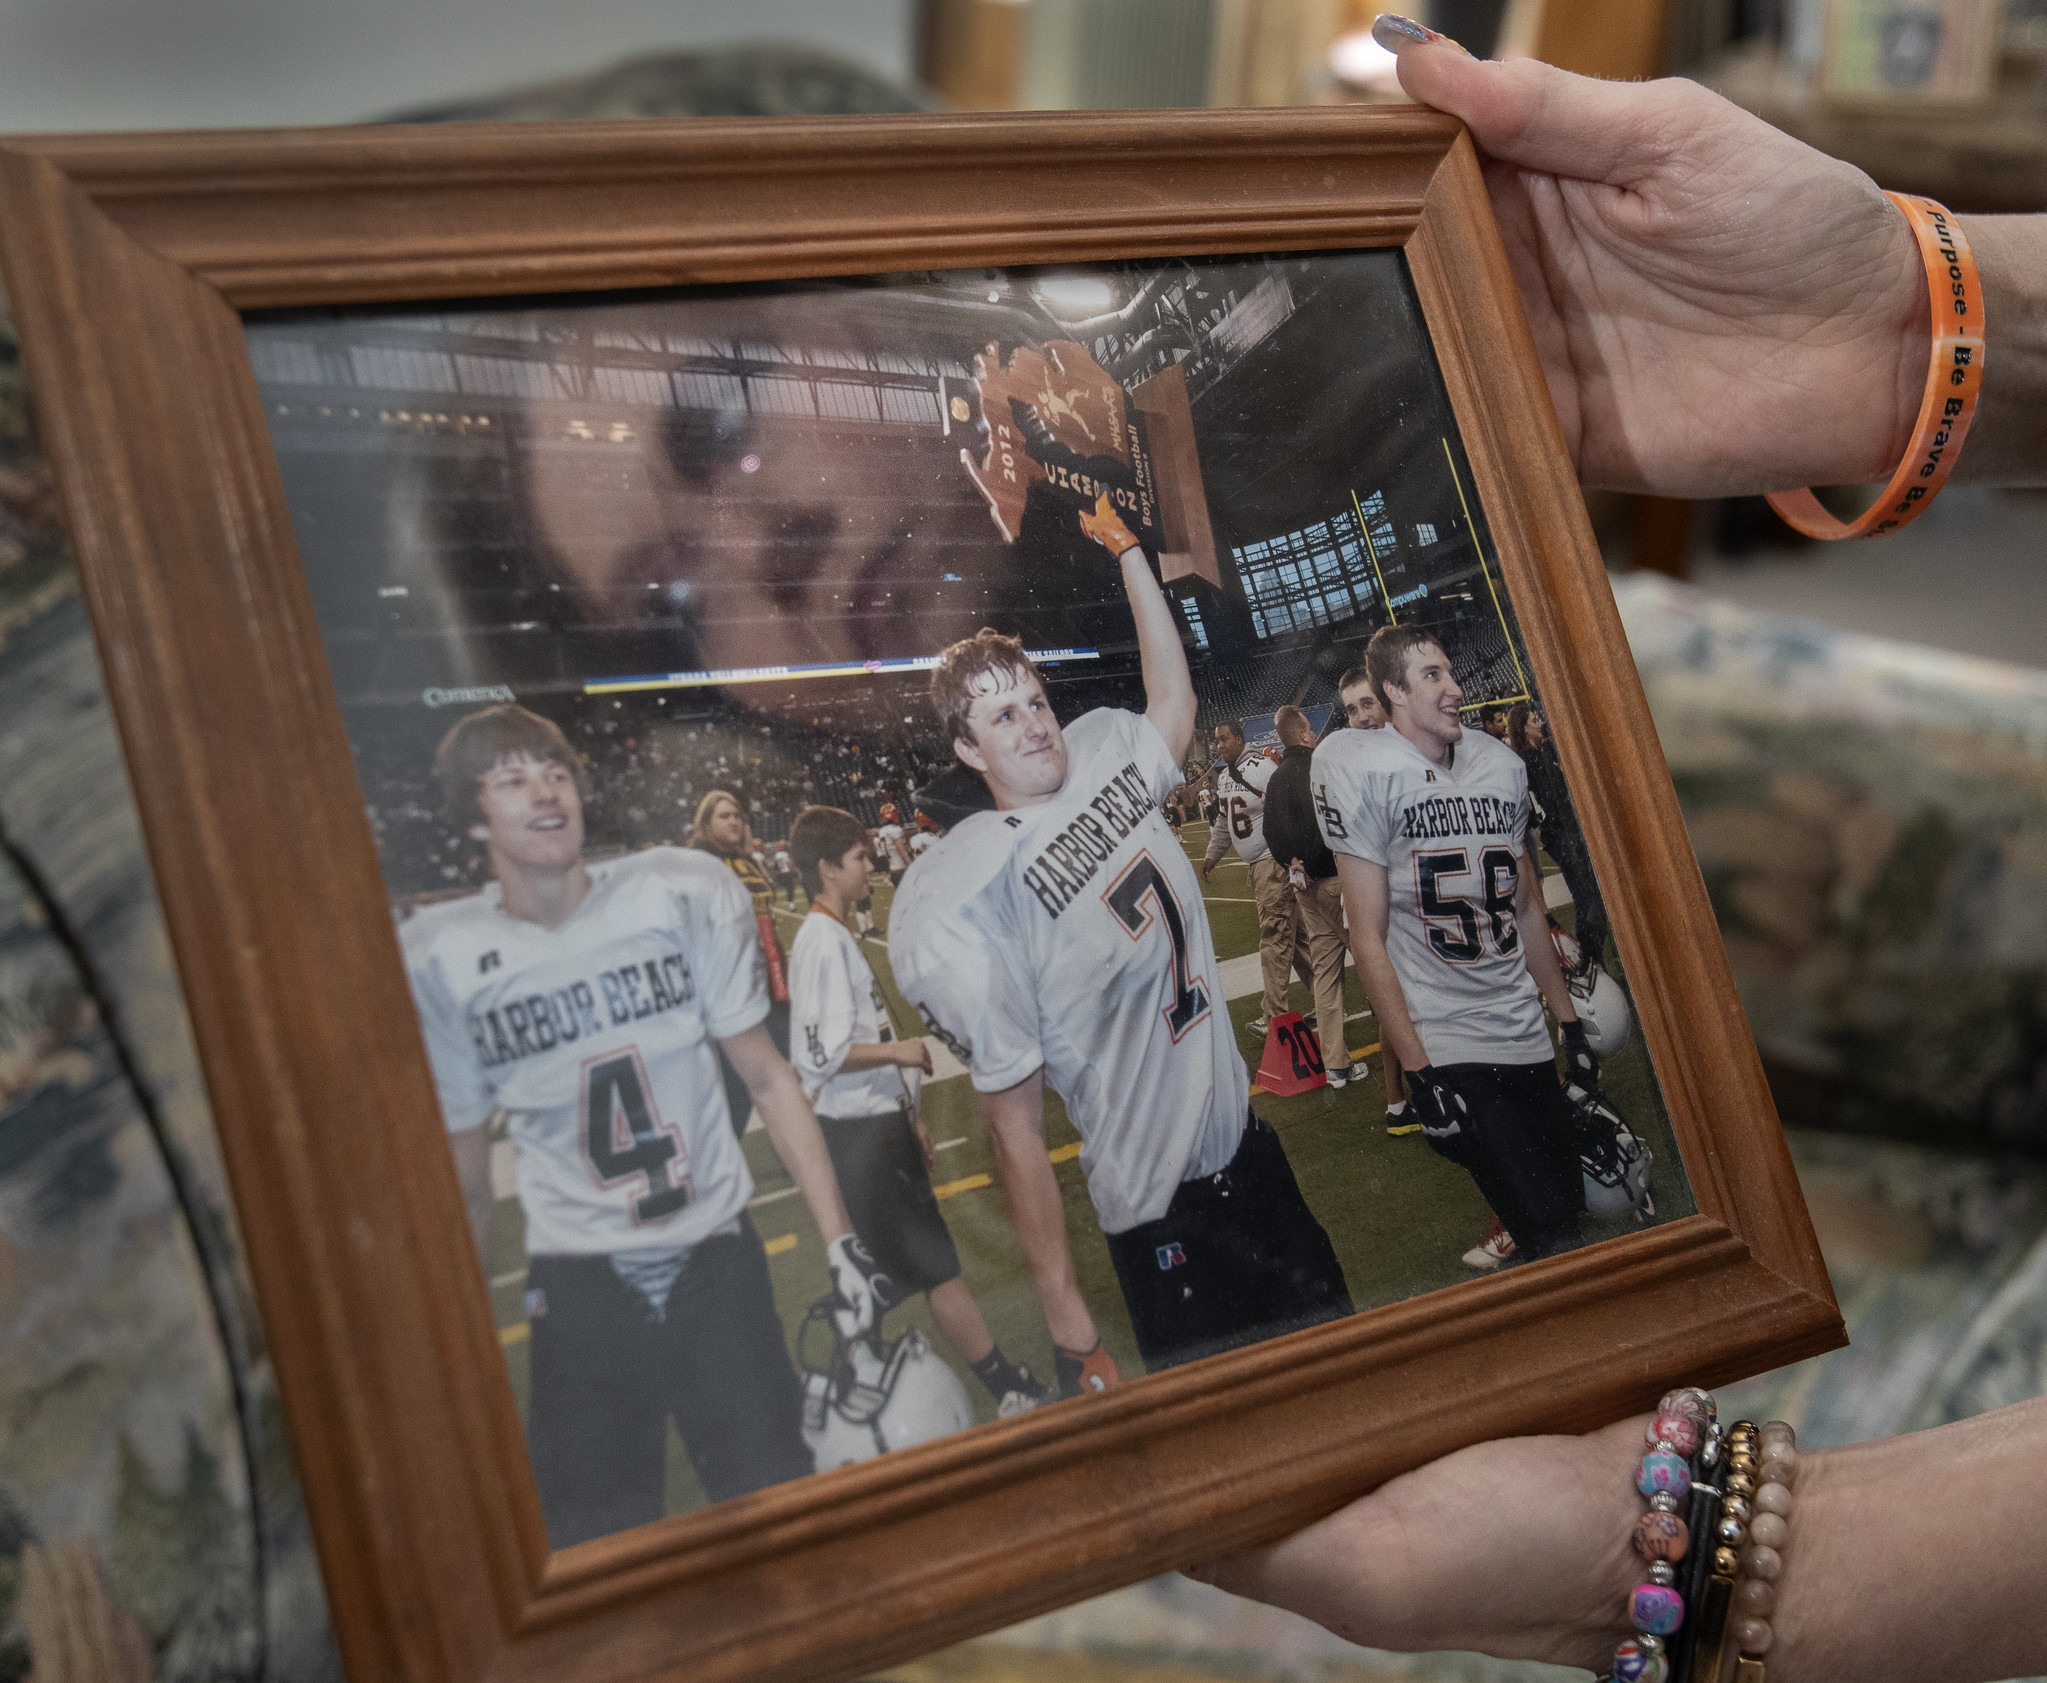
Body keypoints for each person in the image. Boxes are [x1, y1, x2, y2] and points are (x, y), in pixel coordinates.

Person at [1198, 22, 2047, 1676]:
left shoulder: (1470, 764)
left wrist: (1695, 1560)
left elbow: (1515, 882)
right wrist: (1882, 314)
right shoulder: (1363, 773)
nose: (1443, 683)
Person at [401, 705, 887, 1548]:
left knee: (788, 1525)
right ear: (473, 813)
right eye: (511, 779)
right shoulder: (445, 957)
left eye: (554, 771)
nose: (544, 792)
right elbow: (468, 1185)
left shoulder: (678, 892)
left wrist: (839, 1240)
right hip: (584, 1290)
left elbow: (767, 1078)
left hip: (718, 1264)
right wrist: (457, 1349)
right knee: (598, 1547)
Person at [892, 495, 1353, 1378]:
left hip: (1253, 1163)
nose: (1031, 721)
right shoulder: (977, 883)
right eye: (1002, 717)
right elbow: (1013, 1130)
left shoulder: (1105, 759)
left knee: (1346, 1380)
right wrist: (1071, 1329)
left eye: (1033, 699)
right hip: (1160, 1217)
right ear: (966, 749)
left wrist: (1131, 553)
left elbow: (1171, 695)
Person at [1313, 625, 1594, 1262]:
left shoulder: (1500, 767)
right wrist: (1420, 1073)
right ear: (1394, 693)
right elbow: (1368, 937)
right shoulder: (1363, 768)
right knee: (1550, 1233)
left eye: (1450, 671)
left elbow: (1525, 908)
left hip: (1523, 1030)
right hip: (1451, 1041)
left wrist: (1570, 1024)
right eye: (1432, 676)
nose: (1454, 688)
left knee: (1567, 1216)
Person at [785, 804, 1048, 1417]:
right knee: (933, 1269)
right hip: (861, 1138)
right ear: (826, 868)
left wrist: (910, 1118)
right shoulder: (822, 941)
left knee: (882, 1279)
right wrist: (899, 1051)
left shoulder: (832, 934)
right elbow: (818, 1054)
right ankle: (1004, 1385)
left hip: (877, 1131)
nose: (869, 865)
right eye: (856, 858)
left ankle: (852, 1399)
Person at [1256, 704, 1356, 1091]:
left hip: (1305, 890)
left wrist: (1293, 864)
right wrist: (1312, 862)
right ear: (1301, 733)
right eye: (1309, 729)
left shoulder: (1277, 778)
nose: (1314, 734)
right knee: (1371, 959)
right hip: (1332, 880)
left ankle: (1336, 1065)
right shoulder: (1318, 767)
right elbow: (1325, 824)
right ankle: (1408, 1042)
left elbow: (1271, 834)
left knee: (1326, 974)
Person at [1334, 667, 1412, 1134]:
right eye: (1351, 709)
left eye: (1367, 704)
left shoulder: (1404, 747)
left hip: (1410, 891)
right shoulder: (1346, 764)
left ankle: (1407, 1097)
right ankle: (1397, 1100)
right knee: (1390, 1001)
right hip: (1378, 897)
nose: (1361, 717)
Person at [691, 789, 794, 1140]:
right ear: (706, 824)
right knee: (734, 1092)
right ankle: (717, 1167)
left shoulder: (747, 860)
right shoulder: (699, 864)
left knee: (786, 1074)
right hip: (732, 993)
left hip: (769, 982)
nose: (734, 820)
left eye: (737, 814)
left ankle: (797, 1148)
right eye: (724, 816)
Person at [1201, 718, 1313, 1037]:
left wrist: (1292, 855)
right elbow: (1225, 821)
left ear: (1239, 739)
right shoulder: (1224, 777)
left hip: (1272, 864)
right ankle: (1327, 998)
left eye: (1224, 740)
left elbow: (1292, 802)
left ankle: (1274, 1014)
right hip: (1258, 868)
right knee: (1299, 940)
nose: (1219, 746)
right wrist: (1212, 854)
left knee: (1274, 938)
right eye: (1216, 741)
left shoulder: (1261, 765)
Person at [1508, 701, 1610, 974]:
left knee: (1589, 895)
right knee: (1587, 896)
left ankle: (1591, 955)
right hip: (1560, 833)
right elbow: (1530, 803)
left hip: (1565, 831)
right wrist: (1538, 821)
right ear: (1523, 729)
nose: (1539, 721)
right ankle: (1590, 957)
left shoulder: (1542, 753)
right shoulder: (1528, 762)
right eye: (1533, 719)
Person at [876, 802, 912, 890]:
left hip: (893, 871)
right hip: (901, 871)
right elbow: (901, 850)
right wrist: (910, 866)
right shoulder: (895, 829)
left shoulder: (882, 831)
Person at [771, 839, 799, 909]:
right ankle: (791, 904)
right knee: (790, 889)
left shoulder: (776, 855)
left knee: (780, 889)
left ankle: (773, 905)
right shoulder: (787, 854)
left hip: (781, 874)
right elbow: (791, 864)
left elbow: (774, 866)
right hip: (788, 873)